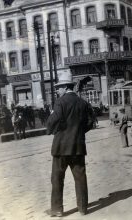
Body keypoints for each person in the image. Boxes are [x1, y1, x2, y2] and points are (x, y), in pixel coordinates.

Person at [46, 72, 94, 217]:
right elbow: (90, 122)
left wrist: (53, 129)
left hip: (61, 148)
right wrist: (78, 133)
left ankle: (57, 209)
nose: (57, 90)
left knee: (57, 178)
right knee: (80, 178)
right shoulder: (83, 103)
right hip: (78, 147)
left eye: (59, 87)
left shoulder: (60, 102)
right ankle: (83, 208)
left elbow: (52, 122)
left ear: (66, 87)